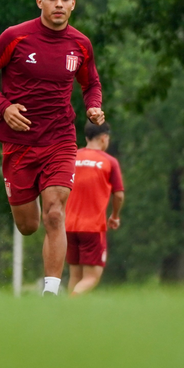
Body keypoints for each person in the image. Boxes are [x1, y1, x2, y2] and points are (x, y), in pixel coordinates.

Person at [0, 0, 104, 296]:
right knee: (28, 225)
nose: (58, 4)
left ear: (73, 4)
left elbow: (91, 84)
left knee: (55, 212)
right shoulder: (15, 36)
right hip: (18, 142)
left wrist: (94, 105)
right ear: (40, 2)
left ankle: (50, 292)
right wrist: (4, 107)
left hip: (60, 138)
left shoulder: (81, 44)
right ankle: (18, 197)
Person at [65, 121, 124, 295]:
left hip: (68, 226)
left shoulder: (71, 158)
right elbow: (119, 195)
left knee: (75, 276)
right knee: (92, 277)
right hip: (92, 227)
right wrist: (115, 216)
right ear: (104, 138)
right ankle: (69, 305)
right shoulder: (109, 161)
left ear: (86, 137)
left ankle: (72, 317)